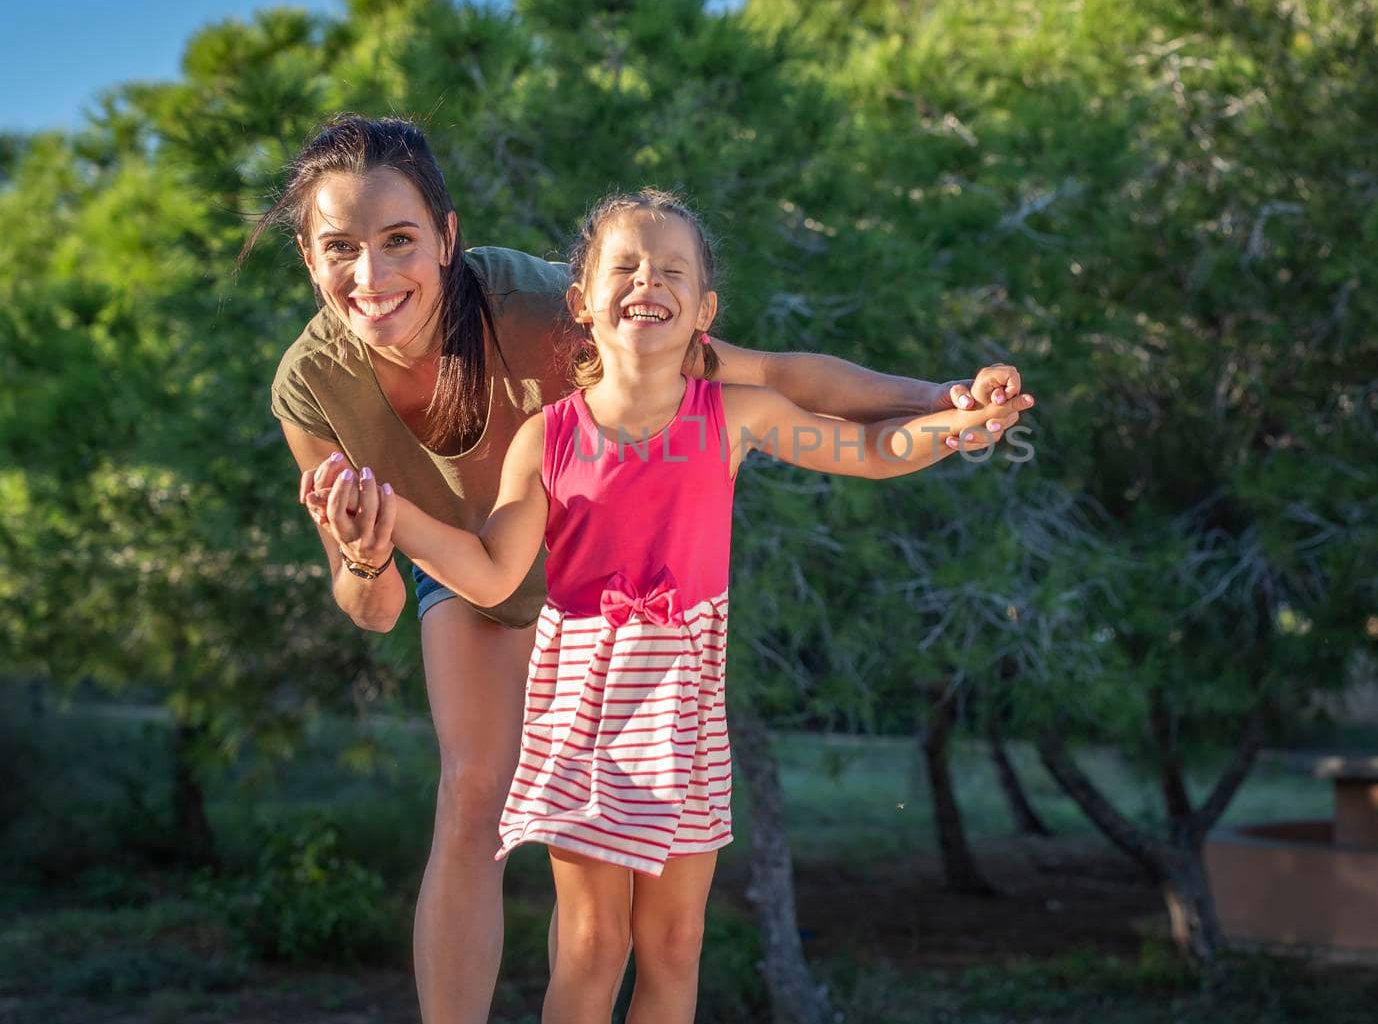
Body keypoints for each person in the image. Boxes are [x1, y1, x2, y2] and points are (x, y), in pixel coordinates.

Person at [247, 115, 1029, 1023]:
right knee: (481, 803)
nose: (372, 277)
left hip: (624, 607)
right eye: (340, 248)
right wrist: (368, 541)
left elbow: (788, 389)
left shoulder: (553, 310)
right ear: (309, 259)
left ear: (447, 239)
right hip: (472, 553)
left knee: (669, 941)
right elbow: (374, 604)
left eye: (399, 242)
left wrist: (941, 402)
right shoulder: (311, 385)